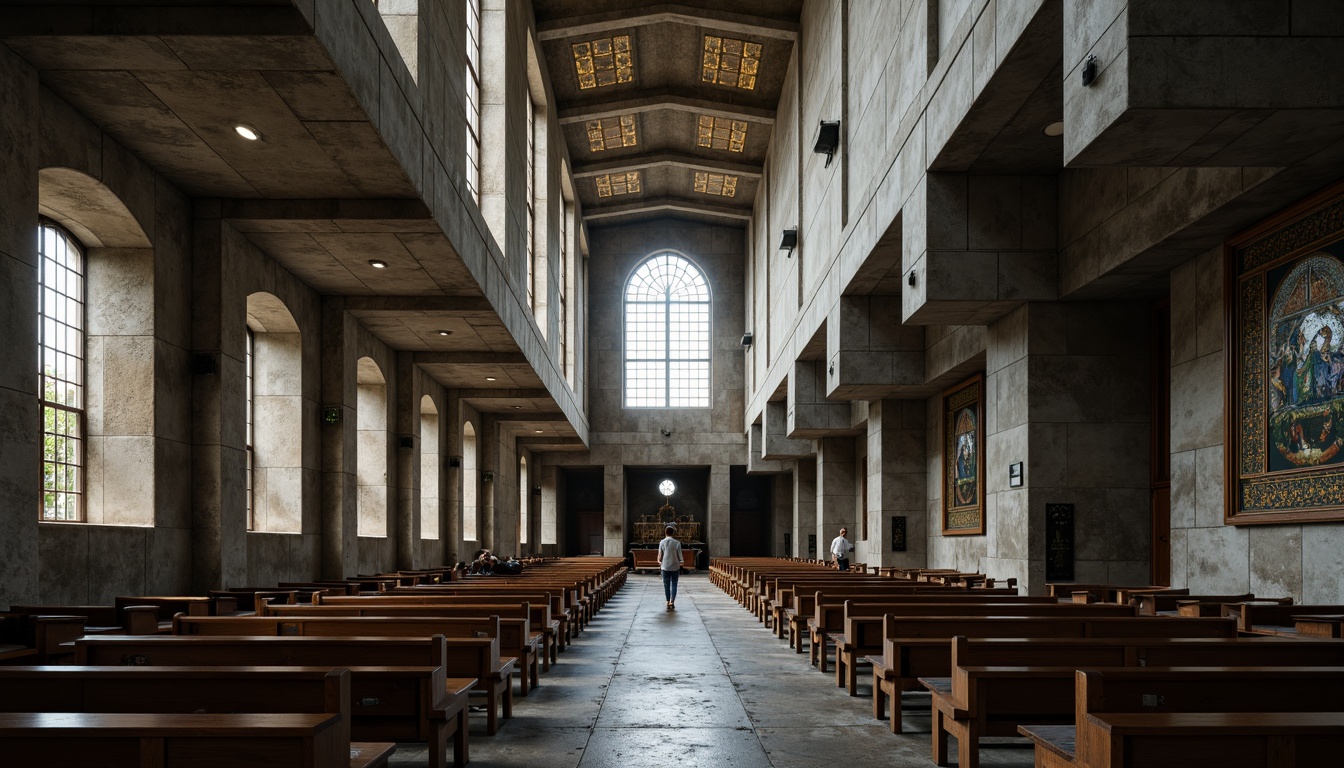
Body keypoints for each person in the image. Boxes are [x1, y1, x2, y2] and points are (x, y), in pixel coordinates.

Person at [658, 525, 683, 609]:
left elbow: (660, 555)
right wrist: (681, 562)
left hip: (665, 566)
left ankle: (667, 601)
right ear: (673, 533)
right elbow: (680, 555)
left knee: (666, 584)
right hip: (675, 566)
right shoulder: (677, 542)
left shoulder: (662, 542)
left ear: (665, 533)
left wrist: (659, 562)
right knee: (674, 584)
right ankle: (672, 601)